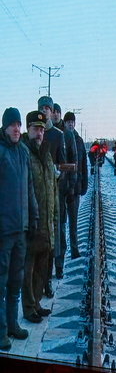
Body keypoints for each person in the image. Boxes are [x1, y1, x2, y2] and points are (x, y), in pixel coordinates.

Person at [0, 107, 39, 350]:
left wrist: (33, 219)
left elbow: (30, 190)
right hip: (3, 232)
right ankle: (1, 331)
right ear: (5, 127)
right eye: (12, 125)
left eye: (18, 125)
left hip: (21, 231)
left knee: (16, 281)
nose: (17, 129)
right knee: (1, 283)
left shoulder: (24, 153)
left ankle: (12, 324)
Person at [21, 111, 56, 324]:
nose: (39, 133)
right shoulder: (24, 153)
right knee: (29, 268)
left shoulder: (46, 153)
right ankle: (27, 307)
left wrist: (54, 215)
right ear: (28, 130)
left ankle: (36, 303)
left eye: (42, 129)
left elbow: (52, 188)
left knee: (42, 267)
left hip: (46, 223)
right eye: (35, 129)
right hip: (31, 223)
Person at [38, 96, 66, 299]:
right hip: (35, 193)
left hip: (53, 193)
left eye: (48, 108)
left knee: (51, 239)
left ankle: (48, 278)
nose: (45, 111)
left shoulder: (57, 135)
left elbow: (64, 164)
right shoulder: (32, 133)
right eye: (42, 108)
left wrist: (58, 174)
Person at [52, 104, 78, 279]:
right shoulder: (44, 133)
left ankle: (59, 265)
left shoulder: (66, 135)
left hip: (62, 190)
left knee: (60, 228)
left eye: (56, 112)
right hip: (46, 192)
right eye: (51, 112)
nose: (54, 115)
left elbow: (73, 161)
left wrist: (71, 186)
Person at [63, 111, 87, 259]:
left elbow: (83, 164)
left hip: (76, 187)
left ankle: (74, 250)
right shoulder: (61, 137)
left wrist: (84, 184)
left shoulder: (79, 141)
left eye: (72, 121)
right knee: (60, 223)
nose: (71, 124)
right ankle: (60, 254)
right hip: (62, 187)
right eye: (68, 122)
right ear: (65, 123)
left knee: (73, 223)